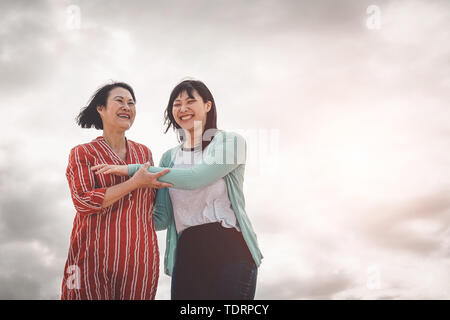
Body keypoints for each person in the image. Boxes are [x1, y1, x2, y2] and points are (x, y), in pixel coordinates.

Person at [92, 80, 263, 300]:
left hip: (229, 250)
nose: (183, 109)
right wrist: (110, 216)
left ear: (208, 105)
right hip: (187, 254)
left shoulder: (231, 142)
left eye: (190, 101)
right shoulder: (168, 158)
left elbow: (196, 178)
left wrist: (132, 170)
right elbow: (161, 217)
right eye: (177, 104)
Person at [61, 82, 172, 300]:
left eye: (131, 103)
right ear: (100, 109)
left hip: (140, 261)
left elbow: (152, 207)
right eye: (119, 101)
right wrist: (134, 183)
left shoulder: (144, 153)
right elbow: (83, 201)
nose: (127, 107)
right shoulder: (83, 153)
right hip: (91, 260)